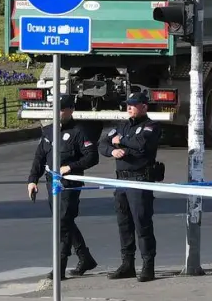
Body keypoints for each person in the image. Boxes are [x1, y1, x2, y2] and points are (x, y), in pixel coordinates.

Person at [26, 96, 100, 280]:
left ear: (70, 110)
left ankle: (59, 266)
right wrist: (32, 180)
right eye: (55, 109)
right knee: (63, 221)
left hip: (69, 185)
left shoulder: (79, 132)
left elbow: (92, 157)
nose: (57, 113)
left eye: (61, 109)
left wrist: (71, 167)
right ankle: (85, 257)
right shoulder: (48, 131)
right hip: (52, 183)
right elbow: (40, 157)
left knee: (63, 223)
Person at [99, 92, 162, 282]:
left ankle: (148, 266)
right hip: (122, 181)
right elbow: (102, 144)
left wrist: (121, 141)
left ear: (144, 106)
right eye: (128, 105)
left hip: (139, 179)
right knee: (124, 223)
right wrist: (113, 150)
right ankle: (127, 264)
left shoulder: (151, 126)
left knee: (142, 223)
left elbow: (142, 146)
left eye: (133, 105)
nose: (129, 108)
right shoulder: (122, 125)